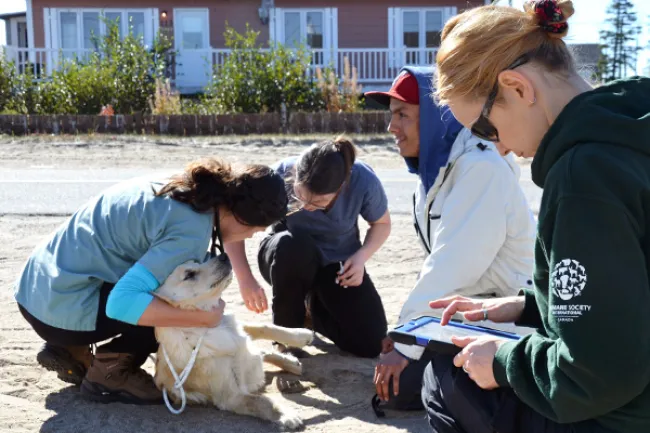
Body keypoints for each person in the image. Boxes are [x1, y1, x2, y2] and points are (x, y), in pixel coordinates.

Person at [420, 0, 650, 432]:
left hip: (623, 416)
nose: (500, 147)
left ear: (518, 88)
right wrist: (528, 306)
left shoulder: (584, 175)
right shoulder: (629, 131)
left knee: (444, 377)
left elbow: (600, 373)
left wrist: (503, 363)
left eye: (486, 130)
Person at [14, 158, 288, 405]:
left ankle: (69, 349)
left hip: (36, 292)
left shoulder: (189, 188)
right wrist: (201, 320)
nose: (252, 236)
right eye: (254, 229)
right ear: (238, 215)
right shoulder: (190, 232)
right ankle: (109, 373)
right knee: (175, 302)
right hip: (60, 310)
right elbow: (122, 304)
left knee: (162, 286)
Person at [364, 66, 537, 411]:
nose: (391, 127)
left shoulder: (479, 169)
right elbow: (437, 263)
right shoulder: (434, 175)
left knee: (406, 386)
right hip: (468, 310)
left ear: (433, 117)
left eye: (402, 115)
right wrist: (406, 330)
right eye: (391, 115)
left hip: (509, 316)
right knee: (397, 378)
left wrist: (406, 342)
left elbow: (453, 265)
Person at [226, 136, 391, 358]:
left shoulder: (363, 180)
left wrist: (361, 258)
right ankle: (285, 338)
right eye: (301, 196)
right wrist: (245, 278)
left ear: (342, 186)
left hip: (336, 266)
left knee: (371, 344)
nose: (305, 207)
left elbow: (381, 224)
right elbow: (234, 226)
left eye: (318, 203)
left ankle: (311, 310)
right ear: (294, 175)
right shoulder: (279, 175)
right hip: (286, 260)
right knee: (296, 245)